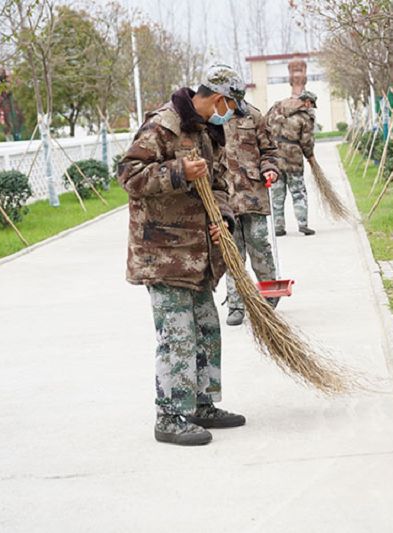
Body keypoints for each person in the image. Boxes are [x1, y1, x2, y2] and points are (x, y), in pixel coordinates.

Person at [117, 64, 247, 446]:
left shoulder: (209, 131)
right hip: (164, 253)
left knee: (206, 329)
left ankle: (201, 403)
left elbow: (219, 183)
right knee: (177, 337)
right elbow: (128, 175)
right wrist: (177, 172)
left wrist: (221, 218)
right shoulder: (163, 125)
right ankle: (170, 415)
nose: (231, 114)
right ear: (220, 98)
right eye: (231, 106)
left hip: (198, 255)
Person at [223, 101, 281, 326]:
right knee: (232, 250)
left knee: (258, 242)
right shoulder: (210, 119)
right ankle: (236, 303)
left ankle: (269, 295)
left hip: (253, 194)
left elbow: (269, 151)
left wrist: (270, 169)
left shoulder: (253, 116)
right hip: (225, 196)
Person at [265, 89, 317, 236]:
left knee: (277, 193)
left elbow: (264, 126)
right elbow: (307, 141)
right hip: (293, 158)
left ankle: (278, 227)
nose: (311, 108)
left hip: (275, 156)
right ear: (307, 101)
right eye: (311, 105)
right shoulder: (305, 117)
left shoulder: (276, 107)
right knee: (298, 191)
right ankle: (302, 224)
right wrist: (310, 156)